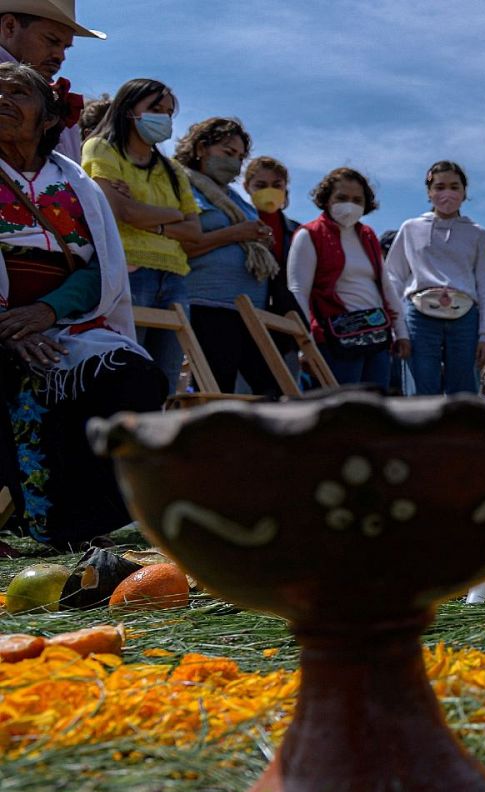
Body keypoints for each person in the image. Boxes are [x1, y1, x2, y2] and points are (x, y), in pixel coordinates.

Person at [0, 62, 164, 548]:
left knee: (128, 373)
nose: (2, 99)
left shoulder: (76, 185)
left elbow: (104, 268)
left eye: (16, 92)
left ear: (49, 118)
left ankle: (105, 525)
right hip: (6, 325)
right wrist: (12, 328)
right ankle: (23, 522)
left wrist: (46, 313)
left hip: (65, 320)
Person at [80, 78, 200, 392]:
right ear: (128, 108)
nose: (164, 117)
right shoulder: (100, 148)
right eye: (155, 108)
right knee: (128, 375)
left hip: (175, 279)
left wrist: (151, 218)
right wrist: (174, 215)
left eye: (169, 112)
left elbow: (194, 231)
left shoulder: (173, 170)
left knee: (167, 378)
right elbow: (122, 213)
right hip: (129, 273)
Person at [172, 117, 280, 396]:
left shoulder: (237, 198)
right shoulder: (180, 184)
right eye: (227, 152)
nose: (234, 162)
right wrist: (235, 234)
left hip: (250, 312)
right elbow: (180, 246)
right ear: (201, 148)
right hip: (208, 307)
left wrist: (259, 239)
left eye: (240, 157)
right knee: (217, 392)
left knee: (272, 391)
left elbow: (246, 235)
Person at [384, 160, 485, 396]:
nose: (447, 193)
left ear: (464, 192)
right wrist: (397, 330)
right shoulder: (410, 228)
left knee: (464, 391)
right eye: (439, 187)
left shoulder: (478, 234)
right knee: (421, 390)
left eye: (454, 187)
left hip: (465, 317)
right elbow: (393, 278)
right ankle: (423, 433)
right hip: (419, 315)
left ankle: (463, 433)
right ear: (429, 192)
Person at [287, 167, 409, 387]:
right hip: (335, 342)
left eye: (357, 200)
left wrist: (401, 332)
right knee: (342, 411)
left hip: (376, 337)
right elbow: (298, 291)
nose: (349, 205)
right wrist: (305, 344)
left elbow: (385, 285)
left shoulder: (368, 235)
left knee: (377, 408)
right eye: (342, 198)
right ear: (326, 199)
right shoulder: (309, 235)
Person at [0, 1, 102, 160]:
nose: (60, 56)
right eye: (51, 40)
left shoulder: (56, 99)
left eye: (65, 47)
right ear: (10, 26)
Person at [244, 155, 302, 376]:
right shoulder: (239, 226)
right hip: (247, 319)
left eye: (276, 185)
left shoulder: (298, 232)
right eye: (261, 185)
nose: (270, 190)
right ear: (247, 187)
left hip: (286, 324)